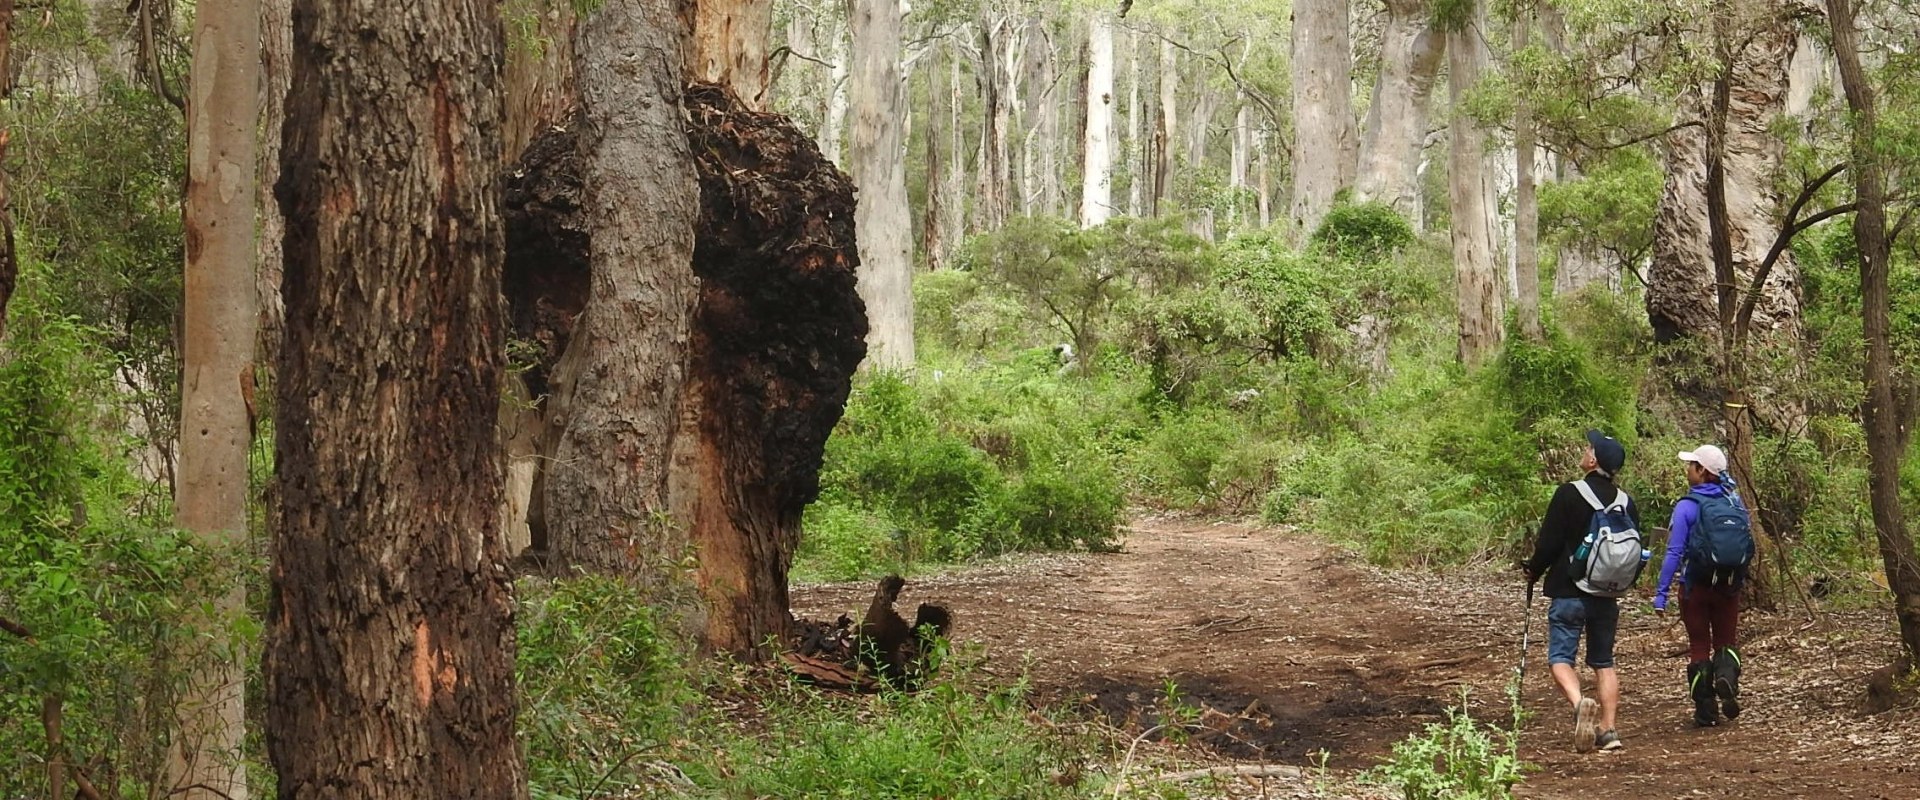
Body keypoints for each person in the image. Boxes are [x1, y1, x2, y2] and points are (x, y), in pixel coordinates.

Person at [1524, 429, 1642, 753]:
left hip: (1569, 590)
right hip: (1607, 594)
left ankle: (1579, 705)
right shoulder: (1626, 502)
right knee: (1604, 661)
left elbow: (1548, 543)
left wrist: (1533, 570)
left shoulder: (1568, 493)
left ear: (1593, 460)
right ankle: (1608, 731)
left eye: (1588, 448)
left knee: (1560, 658)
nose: (1585, 450)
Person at [1653, 444, 1750, 727]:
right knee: (1726, 641)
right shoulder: (1735, 501)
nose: (1688, 469)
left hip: (1694, 586)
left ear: (1702, 472)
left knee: (1699, 646)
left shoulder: (1687, 506)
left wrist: (1661, 594)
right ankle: (1726, 678)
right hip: (1728, 586)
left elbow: (1673, 552)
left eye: (1692, 464)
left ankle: (1706, 711)